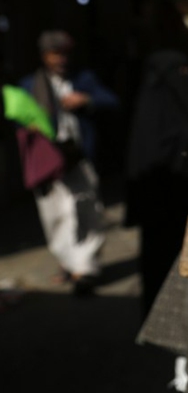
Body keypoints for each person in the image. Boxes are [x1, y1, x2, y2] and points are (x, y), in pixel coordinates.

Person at [20, 30, 119, 295]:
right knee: (56, 213)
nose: (61, 59)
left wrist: (85, 99)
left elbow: (111, 100)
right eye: (55, 54)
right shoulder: (31, 85)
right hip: (49, 160)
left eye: (64, 53)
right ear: (44, 56)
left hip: (78, 155)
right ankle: (68, 262)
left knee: (85, 208)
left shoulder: (82, 79)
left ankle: (86, 268)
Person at [125, 50, 188, 316]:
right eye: (180, 72)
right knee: (160, 259)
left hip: (173, 196)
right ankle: (161, 316)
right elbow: (155, 154)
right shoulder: (155, 106)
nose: (187, 78)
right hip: (160, 199)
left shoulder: (165, 101)